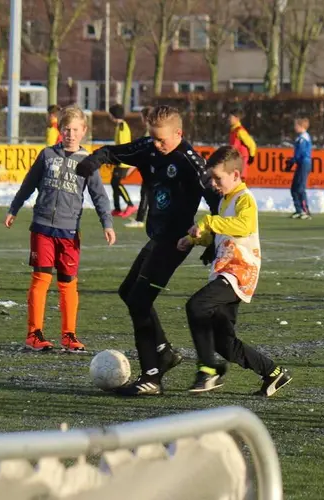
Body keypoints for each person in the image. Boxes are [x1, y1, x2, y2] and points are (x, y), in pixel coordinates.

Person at [75, 105, 220, 396]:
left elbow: (217, 202)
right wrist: (93, 161)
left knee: (140, 300)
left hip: (176, 242)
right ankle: (164, 352)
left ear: (178, 133)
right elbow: (113, 151)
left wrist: (212, 240)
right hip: (157, 237)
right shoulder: (149, 147)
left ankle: (152, 375)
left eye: (161, 139)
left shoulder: (191, 162)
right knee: (128, 292)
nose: (155, 144)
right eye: (152, 137)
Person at [177, 146, 292, 395]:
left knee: (196, 306)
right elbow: (220, 234)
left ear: (236, 175)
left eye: (219, 178)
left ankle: (208, 369)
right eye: (213, 179)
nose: (215, 184)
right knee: (224, 342)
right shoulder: (225, 200)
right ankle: (273, 372)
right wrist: (195, 239)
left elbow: (243, 226)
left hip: (239, 271)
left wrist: (207, 221)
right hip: (224, 271)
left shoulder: (244, 199)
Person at [6, 105, 116, 352]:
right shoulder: (46, 155)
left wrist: (107, 224)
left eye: (76, 129)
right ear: (60, 129)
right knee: (41, 279)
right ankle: (34, 334)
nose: (71, 134)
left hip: (69, 232)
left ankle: (69, 335)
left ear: (83, 131)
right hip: (43, 227)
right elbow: (28, 184)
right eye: (66, 129)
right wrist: (14, 208)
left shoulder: (88, 162)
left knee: (68, 283)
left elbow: (99, 196)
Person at [126, 106, 152, 229]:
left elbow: (144, 153)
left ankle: (140, 220)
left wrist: (132, 167)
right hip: (153, 168)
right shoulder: (153, 131)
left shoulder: (151, 132)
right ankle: (141, 218)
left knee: (146, 194)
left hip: (151, 169)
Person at [108, 104, 137, 218]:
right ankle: (117, 209)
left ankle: (130, 205)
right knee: (114, 183)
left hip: (123, 161)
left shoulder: (122, 127)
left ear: (113, 115)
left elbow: (124, 145)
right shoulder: (120, 125)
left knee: (116, 183)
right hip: (120, 160)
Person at [284, 117, 313, 219]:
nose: (294, 127)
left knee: (300, 188)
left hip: (304, 163)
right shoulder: (300, 137)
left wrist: (292, 161)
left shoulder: (303, 138)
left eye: (296, 125)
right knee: (294, 188)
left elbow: (301, 153)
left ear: (301, 126)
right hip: (301, 163)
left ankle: (306, 211)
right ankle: (299, 210)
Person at [228, 108, 257, 178]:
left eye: (230, 117)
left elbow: (252, 144)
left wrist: (251, 156)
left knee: (239, 180)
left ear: (237, 119)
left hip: (241, 160)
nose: (228, 119)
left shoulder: (240, 131)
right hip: (236, 159)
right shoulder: (233, 130)